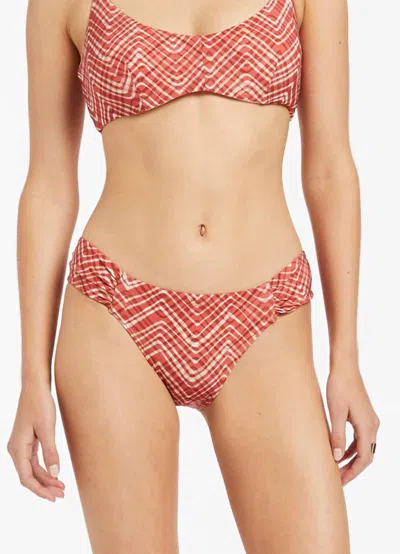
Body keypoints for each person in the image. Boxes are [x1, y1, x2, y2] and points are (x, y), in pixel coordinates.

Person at [7, 0, 380, 552]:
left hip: (265, 316)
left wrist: (345, 357)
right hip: (116, 312)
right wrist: (31, 378)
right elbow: (48, 185)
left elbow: (329, 168)